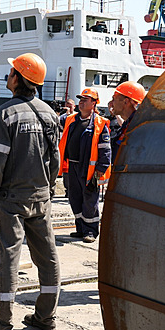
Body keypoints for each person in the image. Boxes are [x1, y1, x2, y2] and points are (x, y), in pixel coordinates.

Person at [0, 53, 61, 330]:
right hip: (40, 197)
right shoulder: (50, 113)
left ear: (17, 78)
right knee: (47, 258)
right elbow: (55, 159)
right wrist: (47, 191)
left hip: (11, 200)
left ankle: (2, 325)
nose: (8, 76)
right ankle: (46, 317)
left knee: (9, 258)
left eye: (11, 72)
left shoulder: (6, 113)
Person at [59, 88, 111, 243]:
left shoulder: (100, 124)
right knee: (75, 198)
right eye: (80, 99)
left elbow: (105, 150)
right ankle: (80, 228)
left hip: (90, 170)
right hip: (72, 167)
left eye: (85, 99)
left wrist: (100, 171)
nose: (81, 102)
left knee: (89, 200)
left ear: (94, 103)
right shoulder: (71, 119)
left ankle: (90, 231)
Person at [110, 81, 145, 163]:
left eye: (114, 99)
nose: (111, 104)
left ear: (126, 102)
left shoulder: (138, 126)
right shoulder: (128, 124)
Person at [59, 98, 76, 198]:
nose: (69, 107)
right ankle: (67, 190)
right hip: (65, 145)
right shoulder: (62, 117)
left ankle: (73, 190)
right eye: (67, 105)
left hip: (75, 145)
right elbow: (59, 126)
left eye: (70, 105)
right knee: (66, 170)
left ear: (74, 106)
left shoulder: (78, 116)